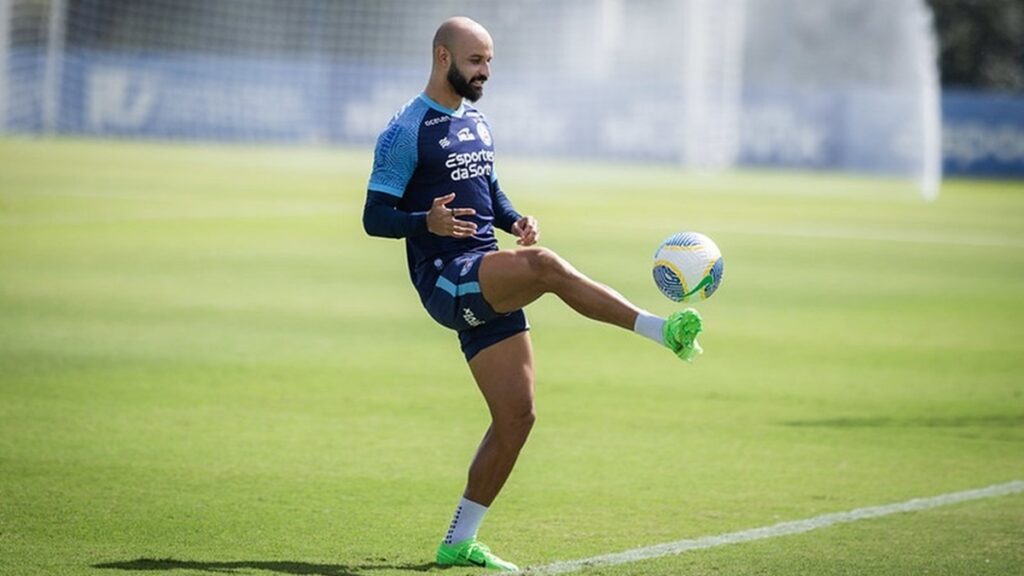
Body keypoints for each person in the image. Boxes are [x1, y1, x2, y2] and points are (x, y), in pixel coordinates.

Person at [362, 16, 704, 572]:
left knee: (518, 417)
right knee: (544, 268)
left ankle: (458, 541)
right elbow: (374, 216)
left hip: (483, 271)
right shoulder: (406, 129)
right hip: (446, 276)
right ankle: (660, 329)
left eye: (491, 62)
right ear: (443, 57)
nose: (486, 73)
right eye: (476, 62)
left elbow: (486, 186)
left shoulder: (476, 120)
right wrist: (428, 221)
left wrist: (515, 217)